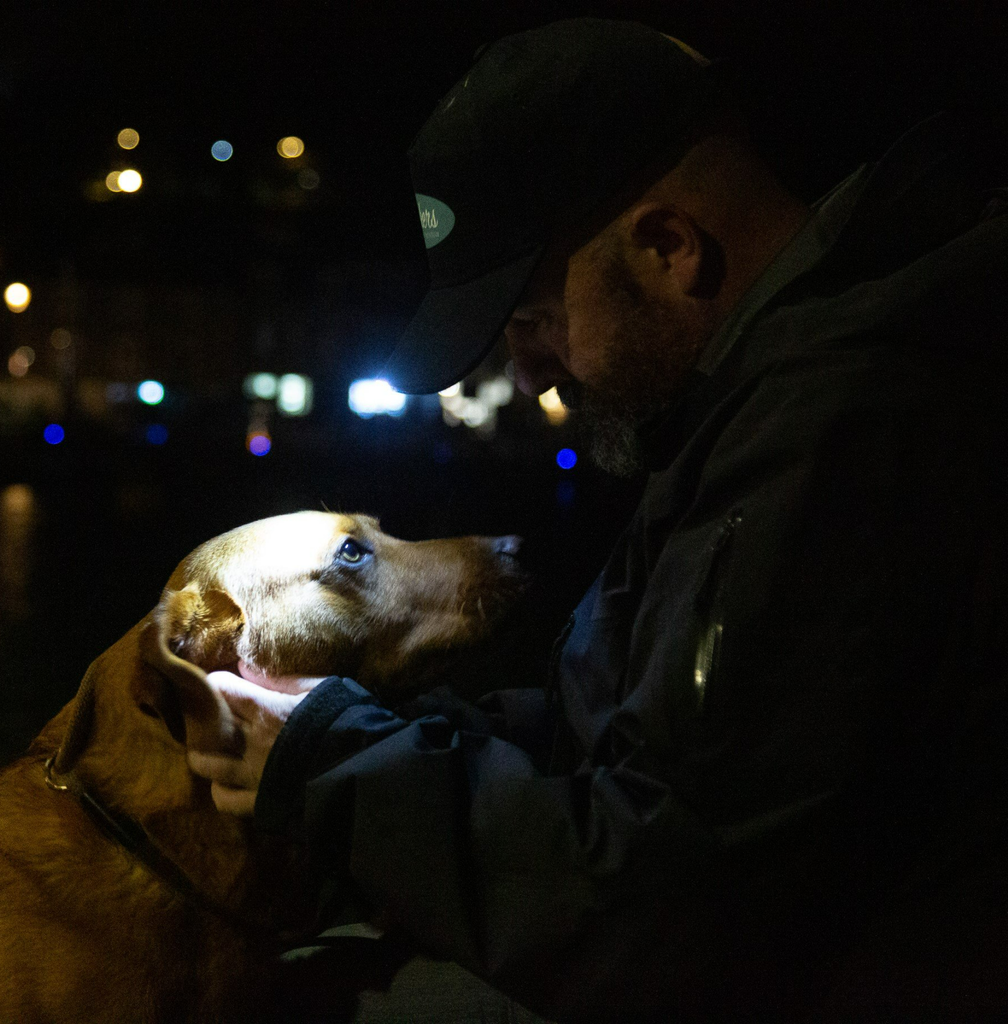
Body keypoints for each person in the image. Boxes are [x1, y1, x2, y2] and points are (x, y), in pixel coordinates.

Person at [187, 19, 1008, 1022]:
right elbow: (649, 740)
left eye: (532, 319)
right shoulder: (753, 405)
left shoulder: (850, 426)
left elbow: (681, 915)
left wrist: (335, 768)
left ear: (667, 247)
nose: (527, 371)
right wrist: (388, 734)